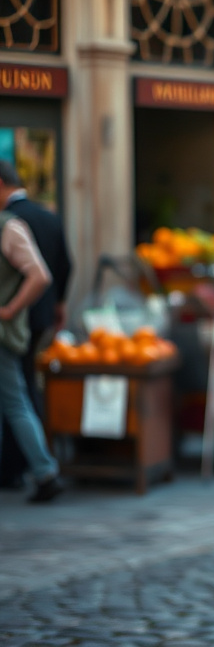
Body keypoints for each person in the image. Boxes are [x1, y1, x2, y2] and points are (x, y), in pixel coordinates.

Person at [0, 161, 73, 489]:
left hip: (14, 322)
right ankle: (26, 465)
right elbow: (65, 266)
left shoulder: (10, 224)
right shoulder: (49, 216)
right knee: (23, 391)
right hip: (39, 319)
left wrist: (10, 308)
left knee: (18, 397)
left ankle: (32, 466)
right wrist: (59, 305)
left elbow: (41, 273)